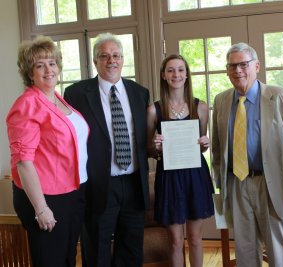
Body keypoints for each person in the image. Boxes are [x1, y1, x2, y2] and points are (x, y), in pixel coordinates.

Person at [211, 42, 283, 267]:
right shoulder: (222, 100)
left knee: (277, 248)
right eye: (232, 66)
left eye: (243, 64)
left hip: (271, 183)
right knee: (244, 249)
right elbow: (217, 146)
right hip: (237, 183)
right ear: (227, 70)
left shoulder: (282, 97)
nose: (238, 71)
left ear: (257, 66)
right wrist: (220, 182)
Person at [64, 32, 150, 267]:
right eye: (104, 56)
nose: (111, 60)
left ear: (123, 59)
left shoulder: (139, 93)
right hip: (98, 184)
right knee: (96, 247)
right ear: (95, 61)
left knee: (131, 249)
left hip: (133, 183)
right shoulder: (76, 94)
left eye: (116, 55)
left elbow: (146, 138)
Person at [6, 35, 89, 267]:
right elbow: (23, 162)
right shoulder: (27, 105)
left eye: (52, 63)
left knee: (68, 258)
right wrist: (41, 209)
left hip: (72, 191)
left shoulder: (58, 99)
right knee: (51, 261)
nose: (48, 69)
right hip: (47, 198)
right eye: (39, 65)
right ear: (29, 73)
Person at [147, 54, 215, 267]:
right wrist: (155, 146)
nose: (176, 74)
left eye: (180, 70)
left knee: (195, 238)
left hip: (195, 175)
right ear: (163, 75)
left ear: (187, 75)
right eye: (170, 70)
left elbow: (200, 146)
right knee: (176, 241)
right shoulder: (153, 110)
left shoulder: (201, 107)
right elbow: (149, 150)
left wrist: (205, 143)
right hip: (169, 177)